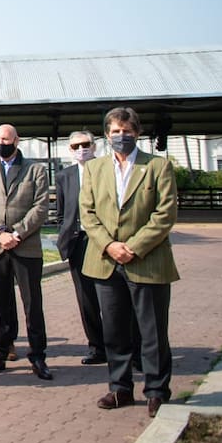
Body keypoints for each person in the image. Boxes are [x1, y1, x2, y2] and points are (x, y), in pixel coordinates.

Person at [81, 107, 179, 418]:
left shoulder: (157, 166)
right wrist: (110, 245)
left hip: (147, 261)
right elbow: (88, 213)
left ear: (136, 132)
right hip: (106, 262)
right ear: (106, 135)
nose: (120, 136)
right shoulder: (95, 169)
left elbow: (165, 214)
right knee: (114, 331)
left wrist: (133, 247)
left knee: (152, 331)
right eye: (114, 131)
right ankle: (120, 388)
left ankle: (156, 390)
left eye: (126, 131)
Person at [0, 123, 52, 380]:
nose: (0, 143)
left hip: (26, 246)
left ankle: (38, 355)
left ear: (16, 140)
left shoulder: (36, 170)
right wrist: (0, 233)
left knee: (32, 304)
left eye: (5, 139)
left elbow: (41, 207)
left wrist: (16, 233)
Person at [55, 130, 107, 365]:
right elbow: (62, 211)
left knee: (110, 296)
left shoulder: (107, 169)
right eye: (75, 146)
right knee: (86, 298)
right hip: (78, 242)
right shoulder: (65, 175)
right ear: (70, 150)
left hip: (104, 242)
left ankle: (123, 346)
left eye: (85, 145)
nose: (81, 149)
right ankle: (96, 346)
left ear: (94, 146)